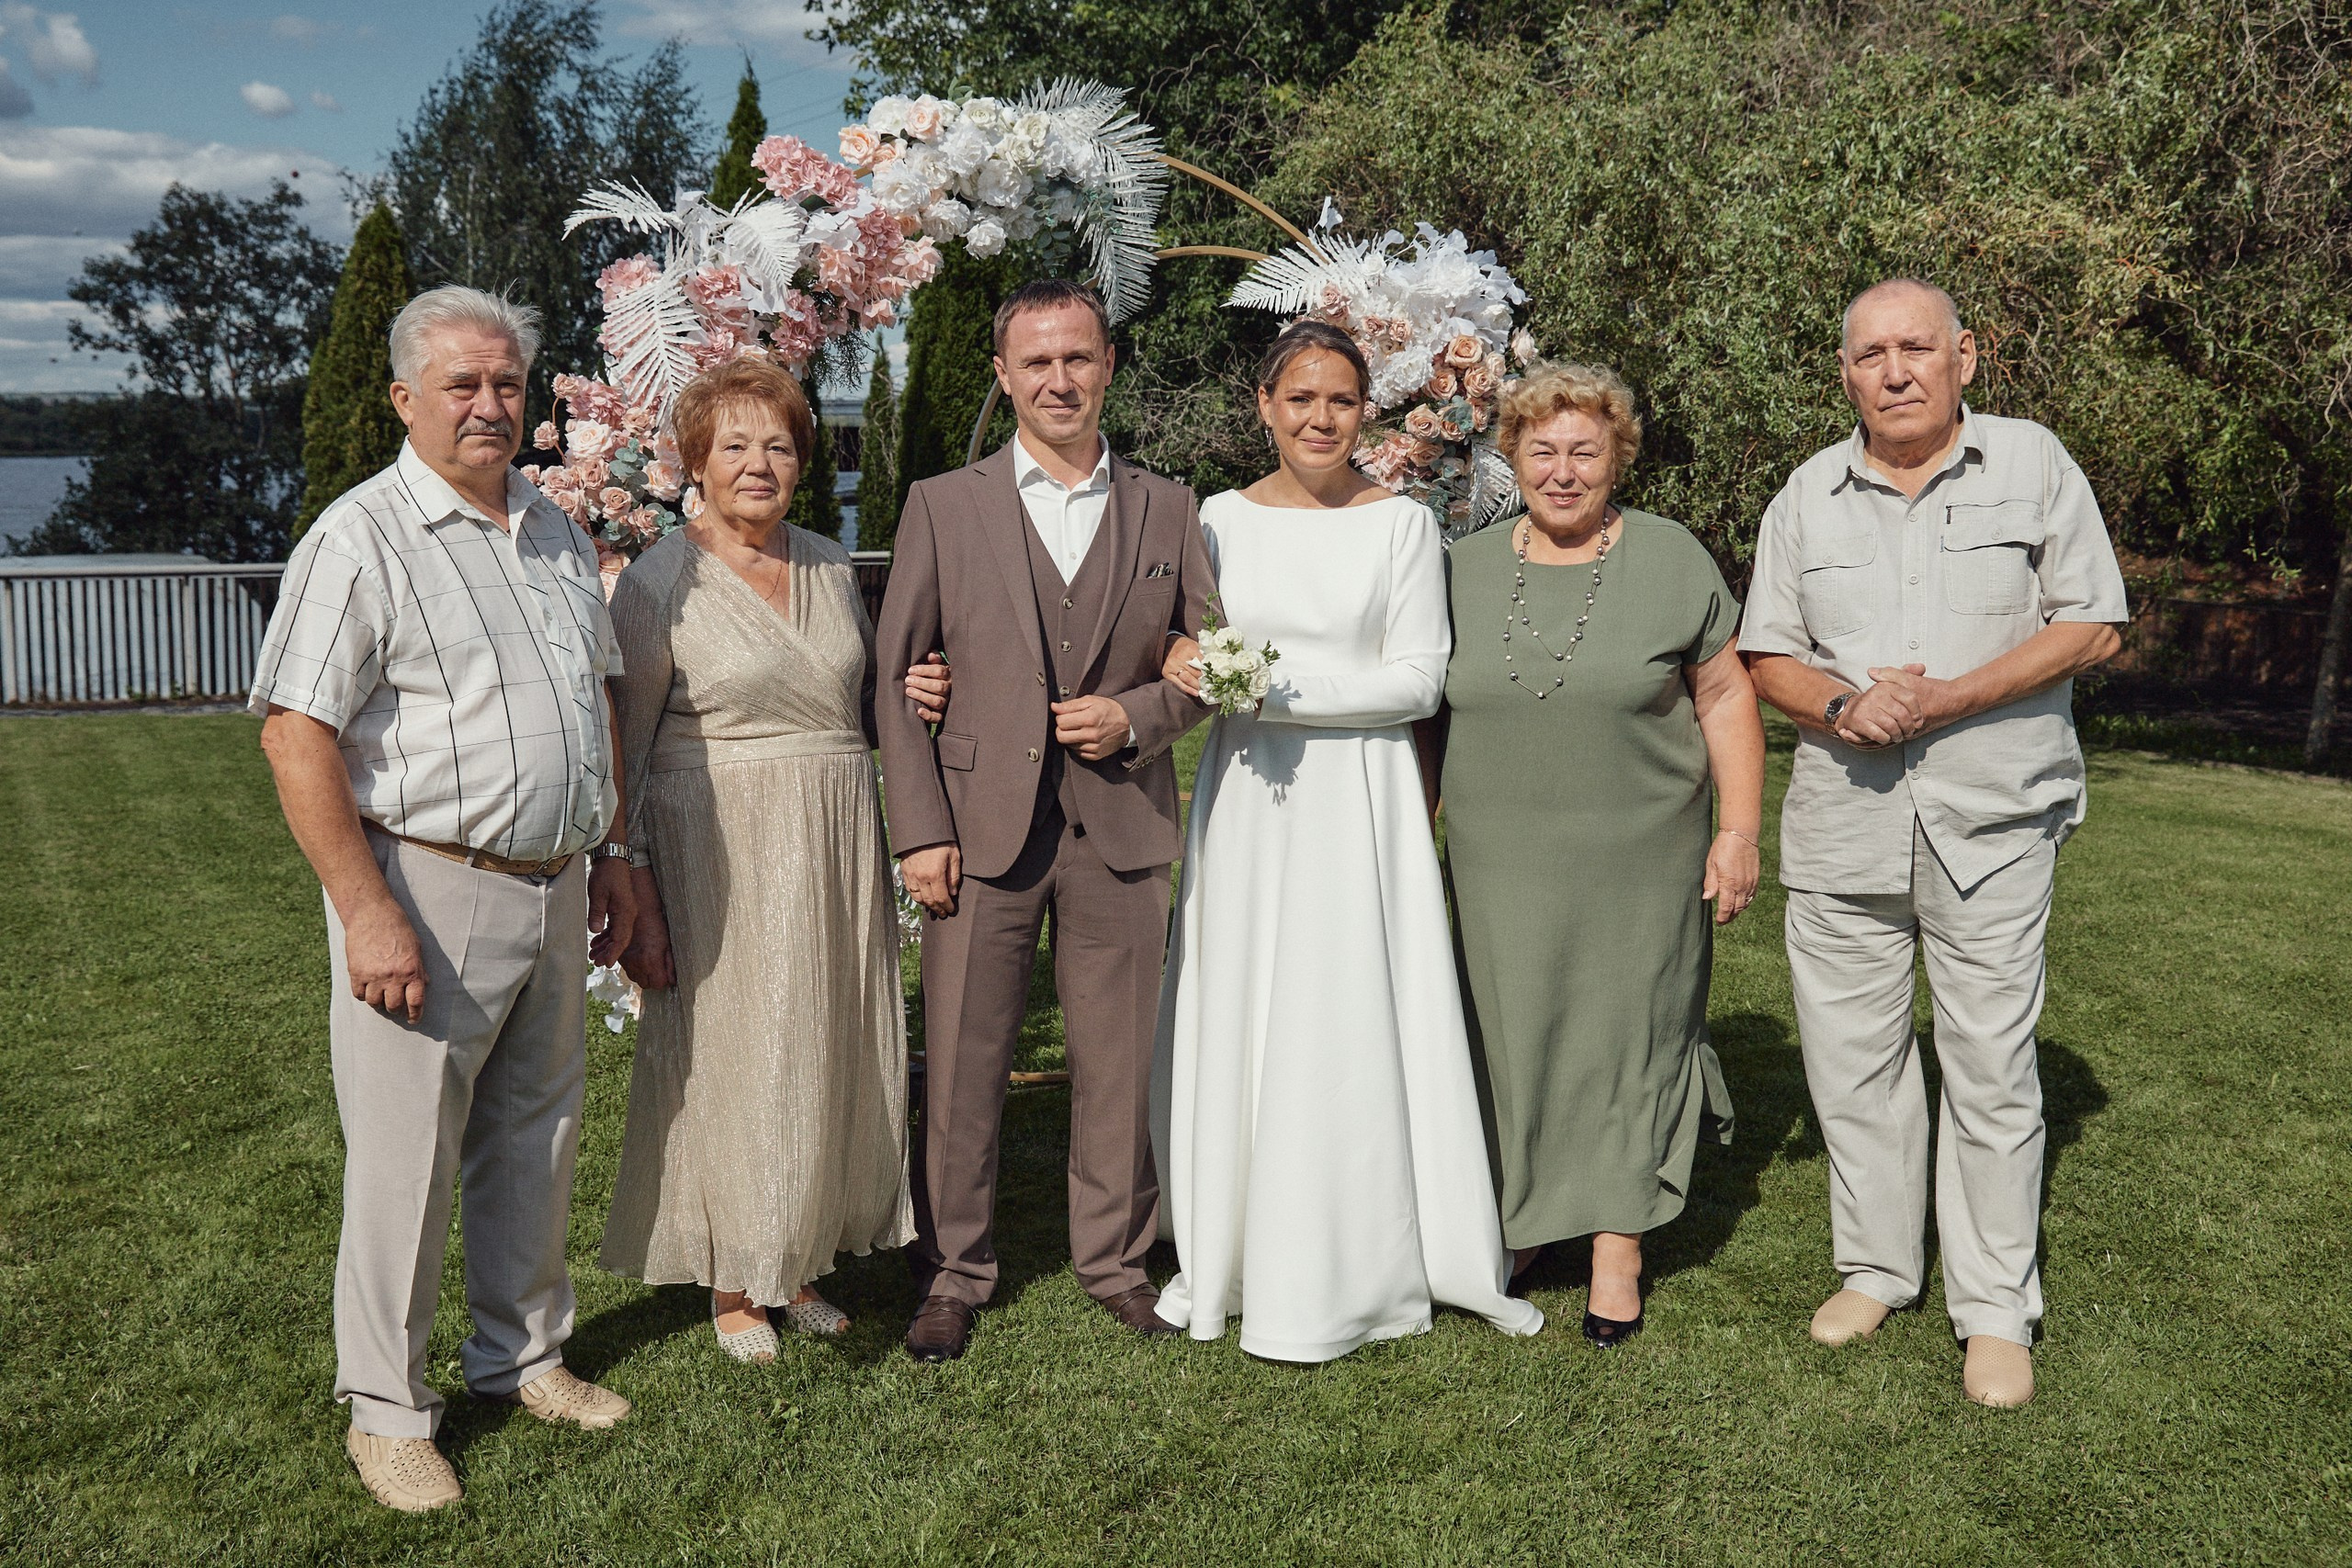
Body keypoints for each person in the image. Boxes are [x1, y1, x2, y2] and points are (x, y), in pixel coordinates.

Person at [251, 285, 638, 1513]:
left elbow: (599, 710)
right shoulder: (359, 538)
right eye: (460, 384)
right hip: (425, 887)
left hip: (553, 882)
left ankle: (521, 1354)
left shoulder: (555, 531)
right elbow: (296, 734)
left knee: (537, 1132)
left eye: (507, 382)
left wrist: (612, 857)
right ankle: (387, 1410)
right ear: (406, 398)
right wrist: (368, 911)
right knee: (406, 1157)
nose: (488, 403)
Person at [1740, 278, 2128, 1408]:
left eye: (1917, 348)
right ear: (1845, 371)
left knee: (1992, 1067)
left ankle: (1993, 1307)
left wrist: (1946, 700)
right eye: (1871, 354)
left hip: (1993, 819)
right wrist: (1838, 707)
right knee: (1852, 1066)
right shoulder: (1805, 496)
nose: (1896, 371)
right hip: (1843, 821)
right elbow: (1768, 655)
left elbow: (2092, 622)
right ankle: (1875, 1268)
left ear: (1967, 357)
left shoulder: (2033, 463)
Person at [1150, 321, 1545, 1360]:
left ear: (1364, 411)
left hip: (1362, 803)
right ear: (1264, 407)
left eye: (1340, 400)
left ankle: (1368, 1250)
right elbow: (1182, 646)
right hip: (1248, 807)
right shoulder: (1215, 521)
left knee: (1354, 1002)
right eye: (1300, 398)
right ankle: (1237, 1247)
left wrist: (1271, 693)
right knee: (1250, 999)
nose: (1319, 418)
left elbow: (1417, 678)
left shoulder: (1401, 528)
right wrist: (1202, 670)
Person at [873, 279, 1216, 1363]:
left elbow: (1217, 658)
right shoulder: (943, 500)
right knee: (966, 1057)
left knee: (1118, 1058)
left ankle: (1115, 1262)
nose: (1058, 380)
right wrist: (919, 829)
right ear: (1003, 376)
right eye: (1037, 363)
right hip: (977, 830)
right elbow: (895, 676)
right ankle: (955, 1271)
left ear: (1108, 364)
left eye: (1077, 358)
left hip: (1120, 825)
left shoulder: (1169, 506)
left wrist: (1143, 713)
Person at [596, 357, 954, 1361]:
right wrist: (632, 874)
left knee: (825, 1036)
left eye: (781, 446)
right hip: (716, 840)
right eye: (736, 446)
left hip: (834, 831)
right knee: (736, 1047)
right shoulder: (659, 583)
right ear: (696, 463)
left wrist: (920, 689)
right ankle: (731, 1276)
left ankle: (794, 1257)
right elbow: (626, 742)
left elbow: (862, 704)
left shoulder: (834, 568)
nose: (760, 463)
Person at [1430, 360, 1763, 1348]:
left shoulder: (1668, 557)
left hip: (1640, 855)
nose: (1564, 471)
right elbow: (1424, 716)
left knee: (1629, 1036)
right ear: (1512, 457)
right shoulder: (1462, 565)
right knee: (1509, 1030)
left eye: (1585, 451)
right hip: (1497, 860)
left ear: (1618, 456)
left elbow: (1725, 696)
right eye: (1542, 451)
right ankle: (1522, 1222)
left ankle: (1617, 1243)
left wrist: (1738, 831)